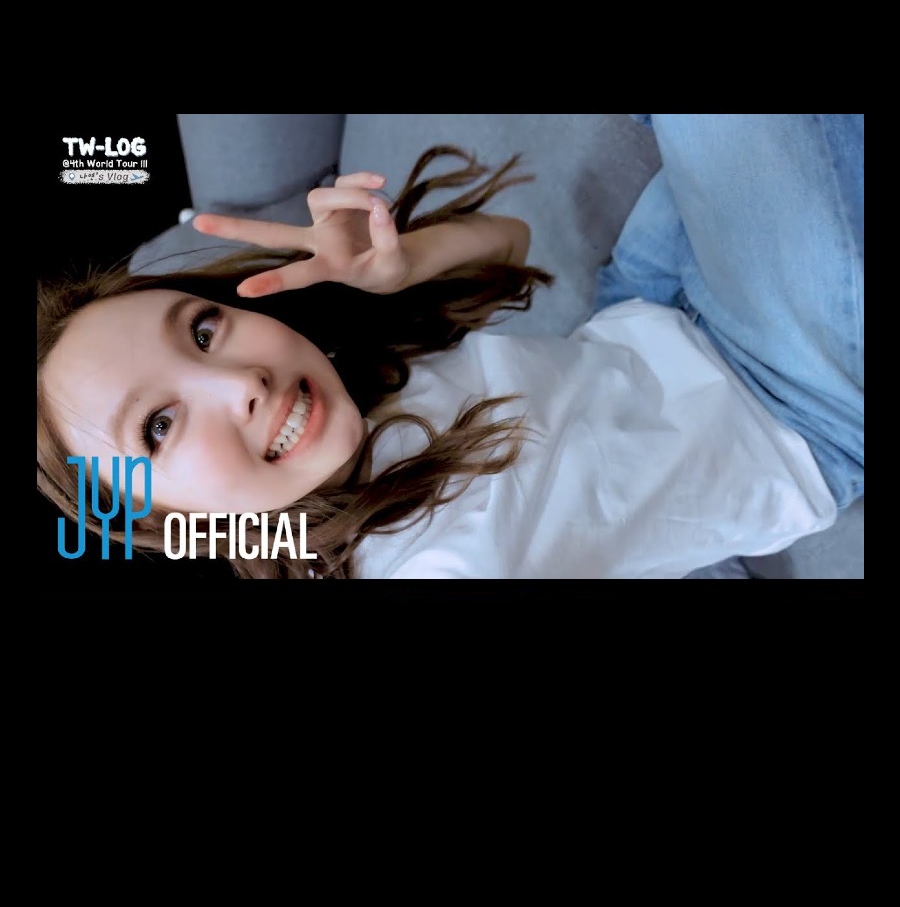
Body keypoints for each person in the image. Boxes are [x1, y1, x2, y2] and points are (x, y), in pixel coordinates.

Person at [37, 116, 863, 579]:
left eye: (202, 331)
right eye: (158, 427)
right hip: (788, 407)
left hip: (642, 315)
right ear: (159, 521)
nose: (239, 382)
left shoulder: (348, 403)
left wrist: (401, 266)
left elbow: (512, 244)